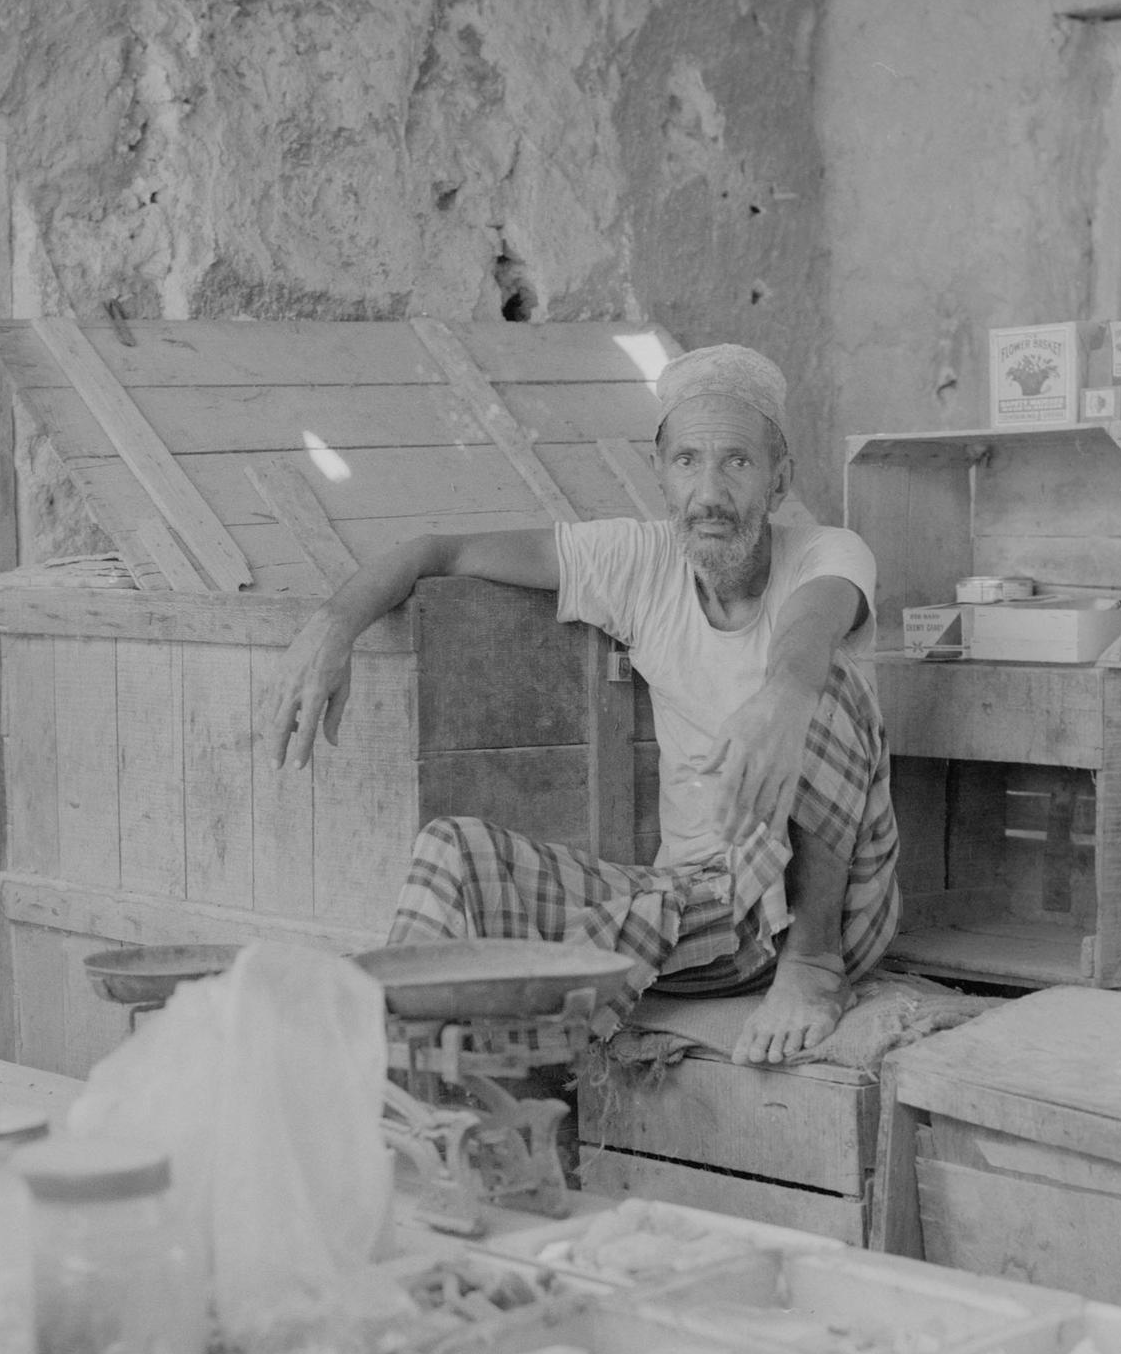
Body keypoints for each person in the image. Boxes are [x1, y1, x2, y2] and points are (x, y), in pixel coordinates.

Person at [264, 342, 900, 1067]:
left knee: (820, 692)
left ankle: (813, 971)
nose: (711, 491)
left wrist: (782, 695)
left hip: (828, 904)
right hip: (699, 907)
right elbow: (437, 551)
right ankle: (401, 1085)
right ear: (660, 473)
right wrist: (336, 622)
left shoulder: (831, 552)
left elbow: (810, 634)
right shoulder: (640, 561)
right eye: (688, 460)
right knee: (451, 853)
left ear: (779, 480)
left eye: (738, 462)